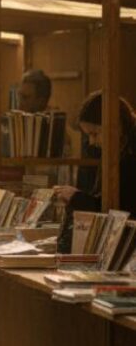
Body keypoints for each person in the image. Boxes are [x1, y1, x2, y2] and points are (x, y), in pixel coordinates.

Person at [54, 91, 136, 242]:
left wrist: (77, 198)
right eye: (88, 135)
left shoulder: (129, 157)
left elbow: (119, 211)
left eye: (95, 133)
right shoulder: (115, 152)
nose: (92, 141)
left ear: (115, 126)